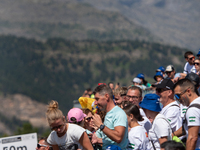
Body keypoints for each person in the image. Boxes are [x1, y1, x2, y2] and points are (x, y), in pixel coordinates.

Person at [91, 84, 128, 150]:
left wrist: (101, 125)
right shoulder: (108, 114)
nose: (95, 103)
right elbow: (109, 138)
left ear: (106, 97)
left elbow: (118, 138)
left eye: (97, 99)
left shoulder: (118, 113)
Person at [173, 78, 200, 150]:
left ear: (188, 91)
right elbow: (190, 127)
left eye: (178, 95)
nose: (177, 99)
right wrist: (174, 134)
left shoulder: (193, 110)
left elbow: (192, 138)